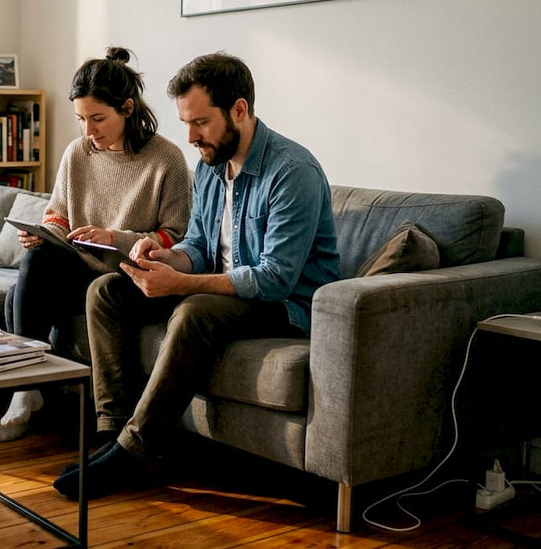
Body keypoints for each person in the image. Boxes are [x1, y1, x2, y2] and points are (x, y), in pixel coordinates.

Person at [53, 52, 340, 498]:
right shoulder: (210, 166)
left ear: (239, 110)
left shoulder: (291, 172)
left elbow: (274, 279)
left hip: (285, 307)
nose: (190, 136)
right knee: (107, 290)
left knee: (193, 311)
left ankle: (137, 451)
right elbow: (201, 248)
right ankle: (112, 433)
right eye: (186, 122)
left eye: (201, 122)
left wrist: (182, 283)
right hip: (225, 290)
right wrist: (164, 257)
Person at [0, 47, 192, 442]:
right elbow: (58, 215)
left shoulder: (167, 160)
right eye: (81, 119)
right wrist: (42, 233)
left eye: (98, 119)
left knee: (17, 297)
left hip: (128, 277)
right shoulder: (77, 153)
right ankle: (28, 391)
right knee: (35, 264)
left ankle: (29, 394)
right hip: (78, 267)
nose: (88, 131)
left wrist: (115, 237)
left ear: (127, 108)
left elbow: (175, 238)